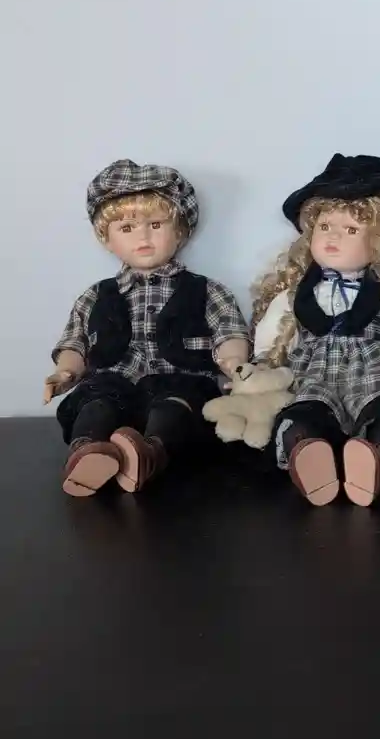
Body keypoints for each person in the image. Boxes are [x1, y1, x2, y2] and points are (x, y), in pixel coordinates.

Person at [251, 154, 380, 506]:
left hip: (377, 371)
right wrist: (259, 370)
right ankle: (309, 457)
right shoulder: (294, 295)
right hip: (313, 375)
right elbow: (270, 340)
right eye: (325, 227)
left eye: (351, 230)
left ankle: (378, 459)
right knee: (302, 412)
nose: (333, 237)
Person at [46, 160, 251, 495]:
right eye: (127, 228)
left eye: (155, 225)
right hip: (113, 382)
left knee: (178, 407)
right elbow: (75, 343)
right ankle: (87, 451)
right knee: (95, 402)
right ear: (106, 239)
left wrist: (236, 363)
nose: (143, 237)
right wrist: (64, 372)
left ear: (180, 231)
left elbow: (230, 334)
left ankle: (150, 453)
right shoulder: (95, 296)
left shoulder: (207, 291)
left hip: (180, 381)